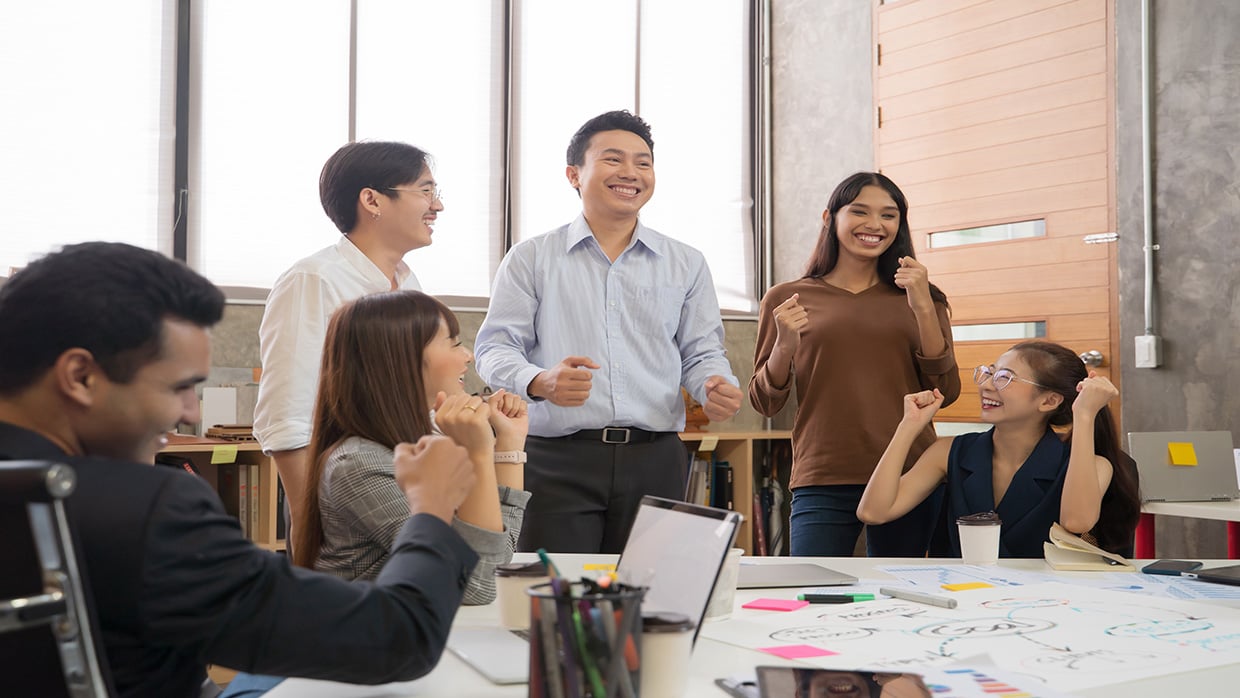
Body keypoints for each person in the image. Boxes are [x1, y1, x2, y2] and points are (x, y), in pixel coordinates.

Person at [0, 242, 480, 698]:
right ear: (80, 377)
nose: (190, 412)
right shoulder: (150, 511)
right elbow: (396, 639)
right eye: (180, 387)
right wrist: (431, 509)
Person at [474, 109, 743, 553]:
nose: (631, 173)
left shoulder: (686, 262)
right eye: (613, 160)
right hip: (558, 458)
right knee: (559, 601)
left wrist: (714, 384)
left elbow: (701, 352)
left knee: (654, 601)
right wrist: (540, 381)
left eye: (643, 162)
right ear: (573, 174)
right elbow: (494, 348)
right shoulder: (531, 258)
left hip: (655, 457)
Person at [749, 172, 961, 557]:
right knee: (811, 591)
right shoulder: (786, 297)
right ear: (830, 218)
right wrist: (784, 345)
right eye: (860, 212)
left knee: (901, 597)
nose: (874, 225)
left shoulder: (924, 297)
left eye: (888, 215)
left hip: (910, 472)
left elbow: (945, 392)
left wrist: (923, 308)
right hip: (823, 472)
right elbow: (765, 403)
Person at [292, 290, 530, 605]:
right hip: (372, 647)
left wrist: (509, 448)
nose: (468, 355)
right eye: (455, 343)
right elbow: (475, 585)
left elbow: (497, 557)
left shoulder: (425, 441)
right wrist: (479, 453)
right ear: (403, 357)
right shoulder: (360, 463)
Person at [254, 141, 443, 528]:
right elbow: (287, 416)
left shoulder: (410, 285)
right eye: (425, 191)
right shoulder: (314, 279)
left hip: (402, 486)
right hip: (339, 502)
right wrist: (311, 530)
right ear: (372, 200)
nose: (437, 206)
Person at [856, 341, 1142, 558]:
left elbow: (1076, 521)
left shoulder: (1093, 464)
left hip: (1049, 605)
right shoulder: (950, 451)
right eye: (989, 373)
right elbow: (874, 512)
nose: (988, 386)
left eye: (1004, 378)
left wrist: (1084, 416)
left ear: (1049, 401)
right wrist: (908, 426)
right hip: (963, 597)